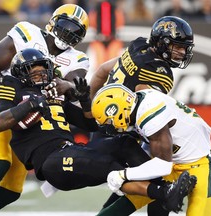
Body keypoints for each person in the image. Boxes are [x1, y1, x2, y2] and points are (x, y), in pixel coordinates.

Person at [0, 47, 195, 214]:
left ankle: (159, 204)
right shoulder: (14, 89)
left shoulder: (53, 95)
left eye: (42, 70)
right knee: (109, 165)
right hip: (51, 162)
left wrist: (84, 99)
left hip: (71, 150)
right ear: (20, 74)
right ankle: (164, 192)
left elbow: (89, 124)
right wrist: (29, 105)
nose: (40, 75)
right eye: (33, 72)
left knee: (124, 145)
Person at [0, 4, 89, 216]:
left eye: (76, 32)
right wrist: (5, 89)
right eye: (66, 26)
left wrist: (73, 88)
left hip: (28, 121)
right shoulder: (26, 32)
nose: (69, 34)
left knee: (12, 190)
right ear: (53, 22)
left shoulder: (77, 58)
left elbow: (75, 83)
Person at [86, 15, 195, 215]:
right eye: (177, 46)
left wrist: (92, 109)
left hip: (105, 130)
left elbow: (101, 71)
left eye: (183, 48)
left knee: (135, 181)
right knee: (160, 181)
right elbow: (152, 117)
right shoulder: (159, 72)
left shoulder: (138, 47)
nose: (181, 52)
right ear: (162, 43)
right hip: (121, 137)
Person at [91, 83, 211, 216]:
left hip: (198, 164)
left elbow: (162, 166)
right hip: (171, 161)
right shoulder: (138, 101)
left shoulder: (149, 114)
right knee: (127, 202)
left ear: (117, 111)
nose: (109, 127)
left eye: (108, 122)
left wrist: (123, 174)